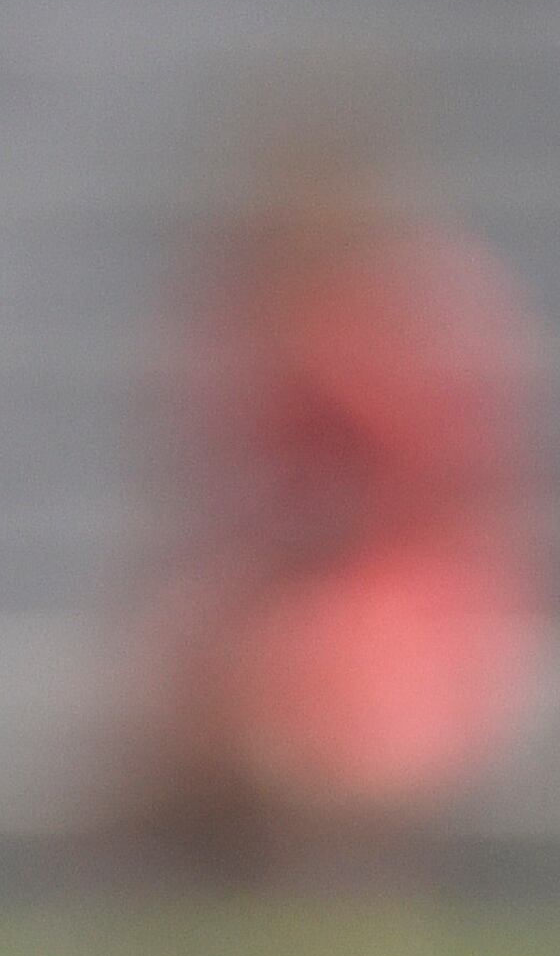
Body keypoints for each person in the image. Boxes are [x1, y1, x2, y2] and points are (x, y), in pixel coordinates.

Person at [117, 87, 543, 881]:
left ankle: (344, 947)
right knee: (164, 740)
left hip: (407, 596)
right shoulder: (252, 318)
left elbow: (435, 503)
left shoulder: (418, 318)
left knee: (302, 735)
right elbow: (230, 498)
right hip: (281, 596)